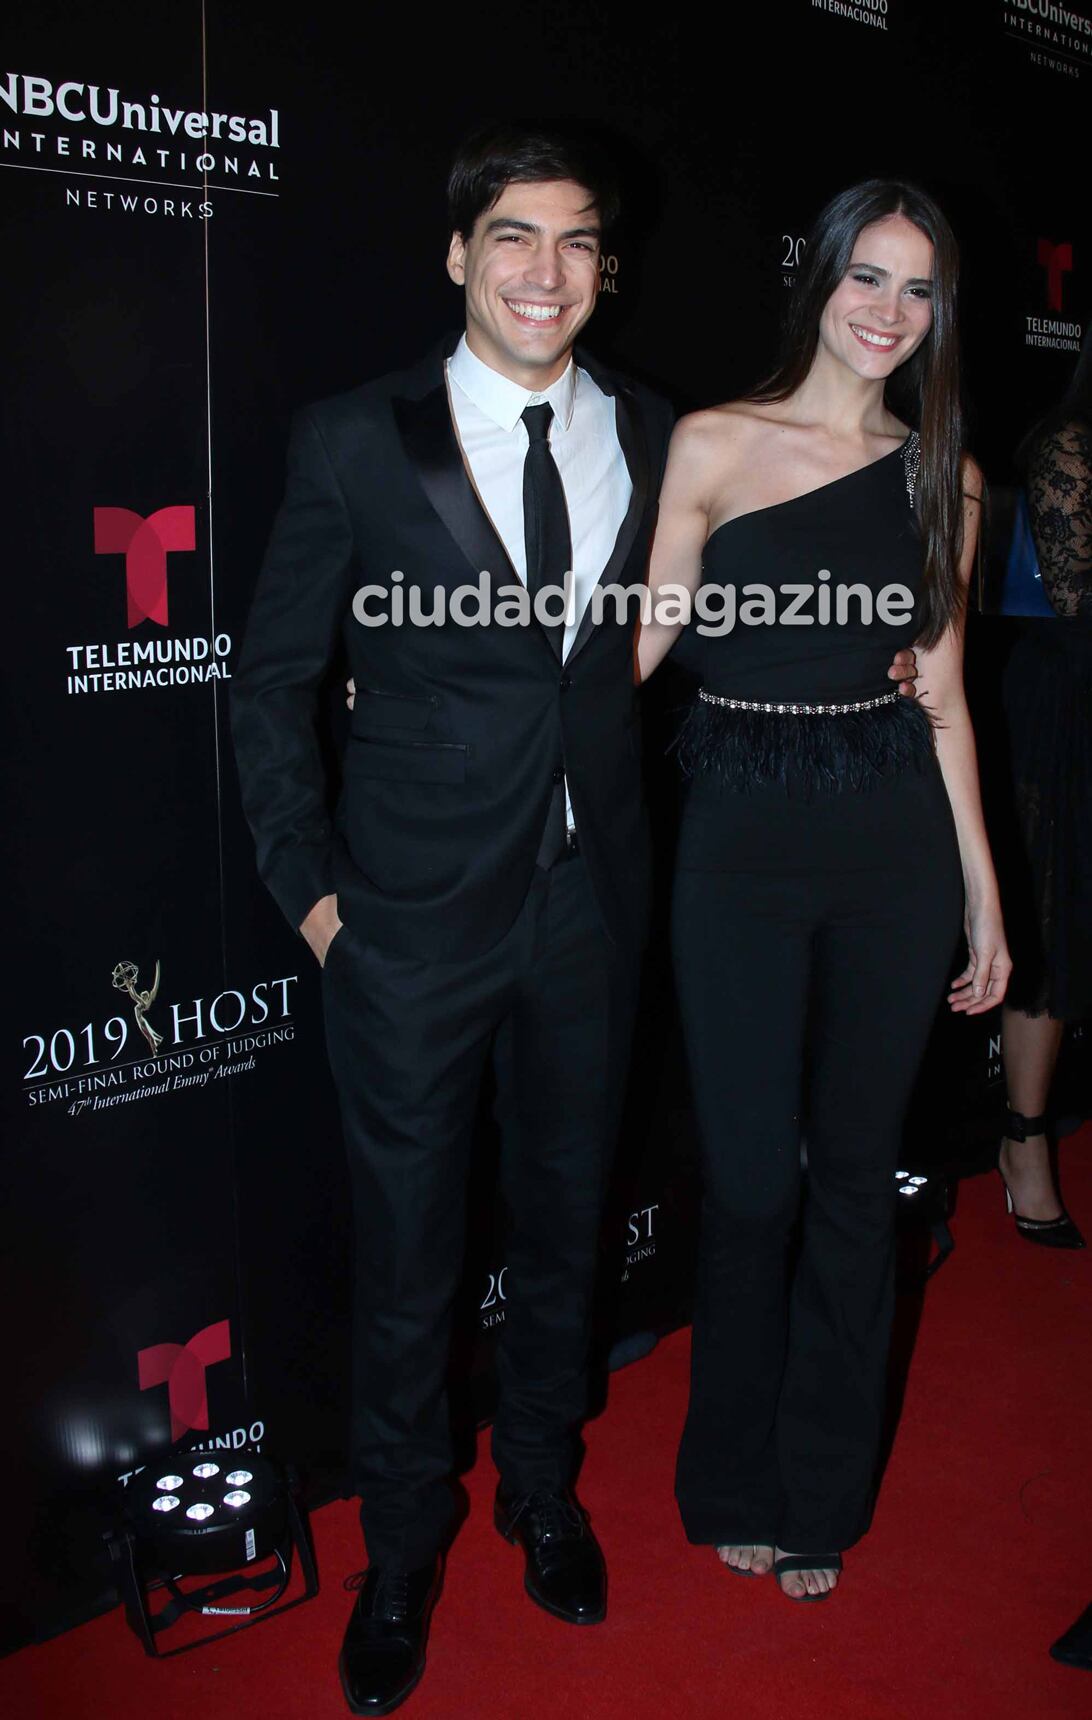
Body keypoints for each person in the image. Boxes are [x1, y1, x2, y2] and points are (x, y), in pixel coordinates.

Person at [636, 180, 1010, 1601]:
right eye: (869, 277)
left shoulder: (948, 480)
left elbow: (950, 697)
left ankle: (818, 1498)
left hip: (892, 852)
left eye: (920, 290)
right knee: (744, 1185)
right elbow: (639, 647)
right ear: (820, 281)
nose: (889, 312)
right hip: (735, 840)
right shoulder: (715, 443)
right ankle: (728, 1473)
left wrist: (986, 896)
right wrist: (479, 710)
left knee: (854, 1183)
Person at [995, 328, 1091, 1249]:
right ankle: (1022, 1142)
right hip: (1063, 701)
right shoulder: (1069, 444)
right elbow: (1075, 593)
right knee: (1052, 920)